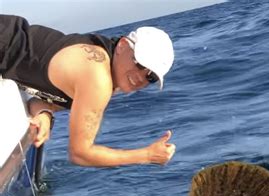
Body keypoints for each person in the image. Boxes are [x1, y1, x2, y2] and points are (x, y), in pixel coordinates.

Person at [0, 14, 176, 167]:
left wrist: (46, 112)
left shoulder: (107, 67)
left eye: (151, 77)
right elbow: (79, 154)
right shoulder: (98, 77)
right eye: (140, 64)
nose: (141, 77)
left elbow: (40, 99)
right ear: (122, 45)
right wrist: (147, 155)